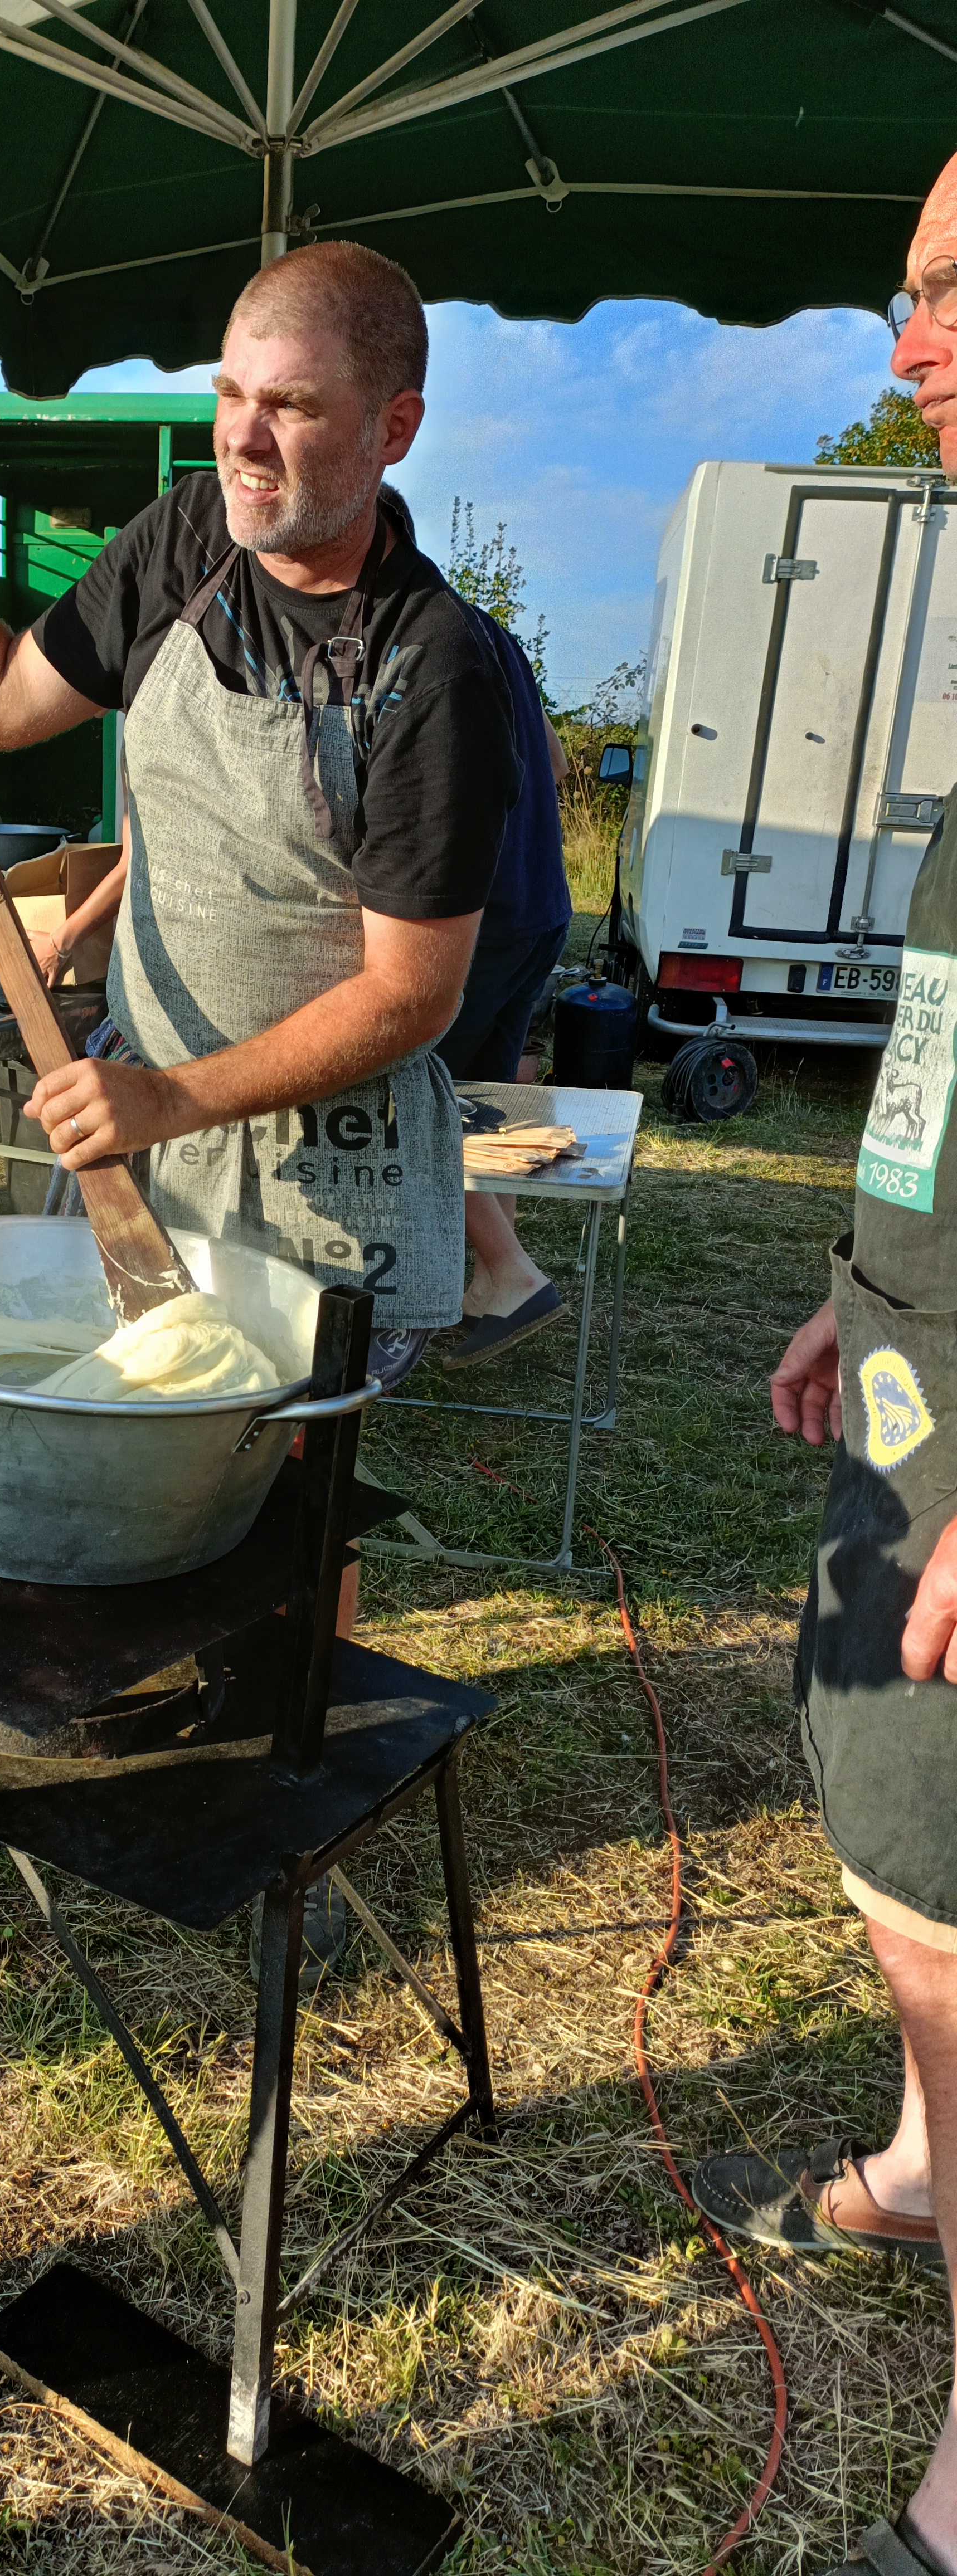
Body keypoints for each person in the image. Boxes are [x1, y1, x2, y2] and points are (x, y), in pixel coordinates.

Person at [0, 241, 520, 1406]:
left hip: (326, 1177)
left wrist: (171, 1099)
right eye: (230, 393)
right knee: (120, 1440)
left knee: (268, 1475)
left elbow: (412, 993)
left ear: (392, 428)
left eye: (292, 406)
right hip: (141, 1145)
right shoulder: (184, 543)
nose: (243, 438)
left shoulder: (431, 669)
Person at [689, 150, 957, 2576]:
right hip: (906, 1354)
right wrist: (863, 1271)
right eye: (904, 293)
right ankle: (924, 2162)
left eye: (956, 291)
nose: (906, 349)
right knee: (896, 1848)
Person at [437, 616, 571, 1367]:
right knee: (489, 1104)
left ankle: (511, 1275)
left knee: (407, 1095)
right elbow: (554, 762)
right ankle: (493, 1284)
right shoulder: (496, 634)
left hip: (478, 913)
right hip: (540, 906)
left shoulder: (412, 634)